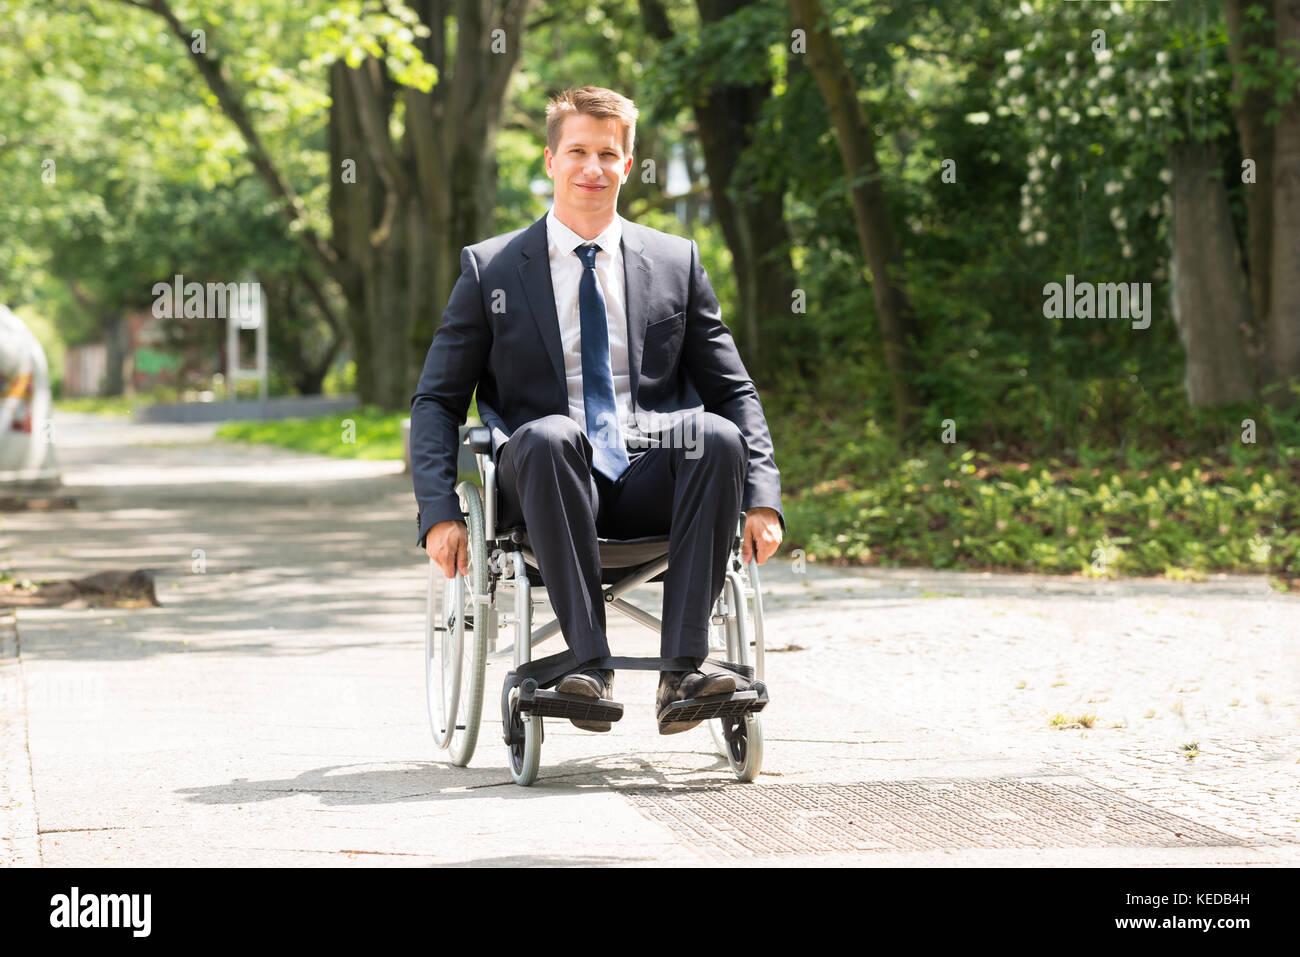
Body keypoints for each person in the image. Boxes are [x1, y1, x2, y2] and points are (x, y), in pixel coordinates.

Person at [410, 86, 784, 734]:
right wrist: (440, 511)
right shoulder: (491, 268)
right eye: (578, 150)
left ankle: (684, 673)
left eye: (608, 153)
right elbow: (437, 400)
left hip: (647, 477)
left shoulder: (675, 262)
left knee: (715, 435)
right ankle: (586, 665)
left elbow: (733, 391)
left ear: (628, 165)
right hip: (543, 481)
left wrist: (762, 497)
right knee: (553, 435)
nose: (593, 167)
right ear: (551, 159)